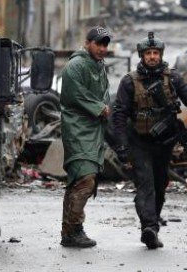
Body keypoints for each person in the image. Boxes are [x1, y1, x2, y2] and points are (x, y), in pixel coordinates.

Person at [111, 32, 187, 249]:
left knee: (159, 185)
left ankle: (152, 225)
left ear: (161, 54)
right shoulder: (129, 82)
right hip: (139, 142)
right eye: (149, 53)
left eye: (156, 53)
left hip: (164, 144)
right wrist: (121, 145)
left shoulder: (173, 78)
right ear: (142, 56)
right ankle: (149, 226)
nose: (153, 57)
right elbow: (118, 115)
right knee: (145, 184)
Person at [59, 26, 112, 248]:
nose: (102, 49)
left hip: (93, 130)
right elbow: (75, 95)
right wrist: (100, 108)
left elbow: (105, 93)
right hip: (78, 129)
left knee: (79, 181)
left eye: (105, 45)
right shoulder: (75, 65)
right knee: (84, 180)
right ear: (87, 43)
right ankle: (73, 230)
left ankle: (70, 229)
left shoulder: (99, 66)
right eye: (98, 44)